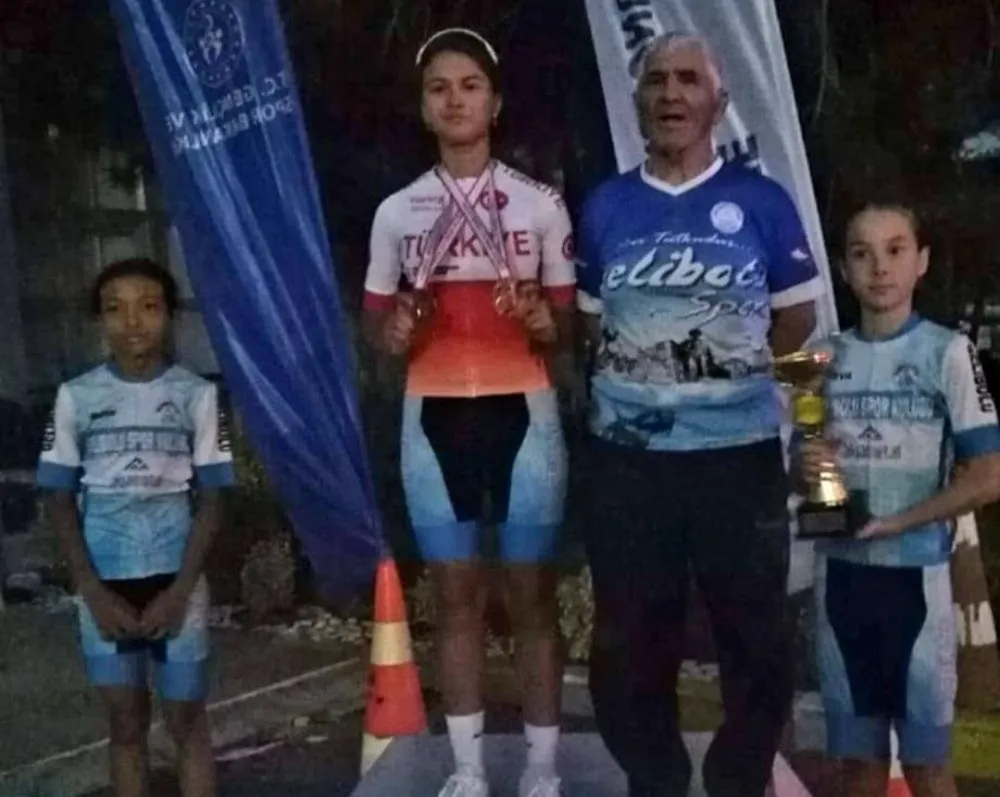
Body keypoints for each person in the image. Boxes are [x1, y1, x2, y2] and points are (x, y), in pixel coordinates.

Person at [575, 32, 827, 797]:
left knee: (758, 642)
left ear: (719, 102)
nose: (671, 94)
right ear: (639, 101)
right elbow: (592, 324)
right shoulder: (607, 205)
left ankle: (735, 778)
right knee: (625, 646)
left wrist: (725, 379)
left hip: (736, 459)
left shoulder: (762, 203)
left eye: (689, 80)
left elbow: (796, 320)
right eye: (657, 80)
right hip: (629, 464)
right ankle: (656, 776)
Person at [361, 28, 576, 797]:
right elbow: (378, 330)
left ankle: (543, 769)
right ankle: (468, 769)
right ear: (424, 108)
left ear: (496, 102)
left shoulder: (540, 204)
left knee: (531, 595)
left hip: (524, 415)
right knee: (454, 598)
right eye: (439, 88)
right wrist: (395, 332)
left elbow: (567, 326)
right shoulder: (397, 212)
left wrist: (545, 320)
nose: (455, 100)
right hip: (434, 418)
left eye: (470, 85)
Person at [797, 201, 1000, 797]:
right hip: (840, 584)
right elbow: (801, 471)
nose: (879, 268)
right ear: (843, 269)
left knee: (926, 768)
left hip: (915, 587)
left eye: (895, 250)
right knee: (857, 768)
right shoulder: (818, 357)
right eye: (862, 254)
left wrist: (896, 522)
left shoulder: (949, 351)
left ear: (922, 262)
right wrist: (809, 465)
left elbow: (988, 477)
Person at [37, 258, 236, 797]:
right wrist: (92, 591)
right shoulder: (76, 396)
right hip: (105, 585)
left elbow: (214, 499)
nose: (132, 322)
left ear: (169, 314)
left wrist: (180, 592)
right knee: (125, 726)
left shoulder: (197, 394)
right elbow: (58, 499)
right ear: (99, 319)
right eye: (115, 309)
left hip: (177, 582)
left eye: (148, 306)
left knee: (187, 722)